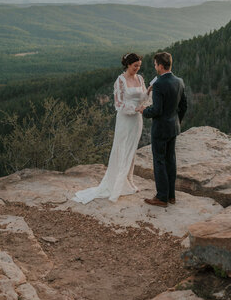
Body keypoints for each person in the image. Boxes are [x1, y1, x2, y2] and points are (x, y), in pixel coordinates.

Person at [73, 53, 150, 204]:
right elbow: (119, 104)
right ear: (128, 65)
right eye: (135, 66)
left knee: (132, 150)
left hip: (137, 120)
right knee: (120, 149)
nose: (137, 68)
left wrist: (149, 92)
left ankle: (130, 181)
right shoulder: (120, 80)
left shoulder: (140, 79)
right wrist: (134, 109)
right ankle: (116, 184)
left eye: (139, 66)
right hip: (125, 119)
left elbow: (143, 98)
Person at [137, 52, 187, 207]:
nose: (155, 67)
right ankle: (171, 196)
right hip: (173, 127)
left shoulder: (158, 84)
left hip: (160, 129)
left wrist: (144, 110)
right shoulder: (179, 81)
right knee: (170, 160)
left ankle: (161, 197)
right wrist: (176, 122)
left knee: (159, 161)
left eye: (155, 64)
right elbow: (183, 106)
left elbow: (157, 110)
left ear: (159, 65)